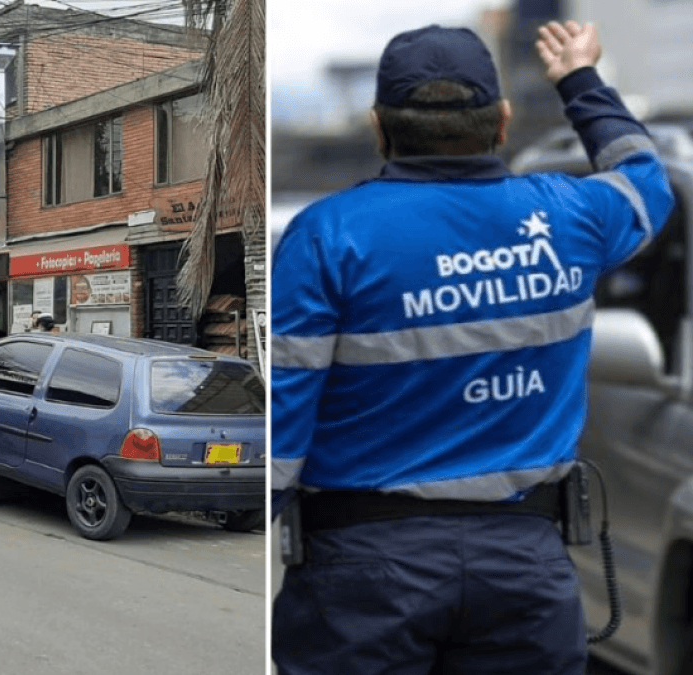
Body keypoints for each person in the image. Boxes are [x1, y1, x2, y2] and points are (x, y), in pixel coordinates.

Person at [270, 22, 673, 675]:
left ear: (378, 127)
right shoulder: (572, 216)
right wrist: (580, 80)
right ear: (503, 121)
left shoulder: (326, 236)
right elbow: (646, 180)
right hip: (524, 574)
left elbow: (281, 429)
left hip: (362, 580)